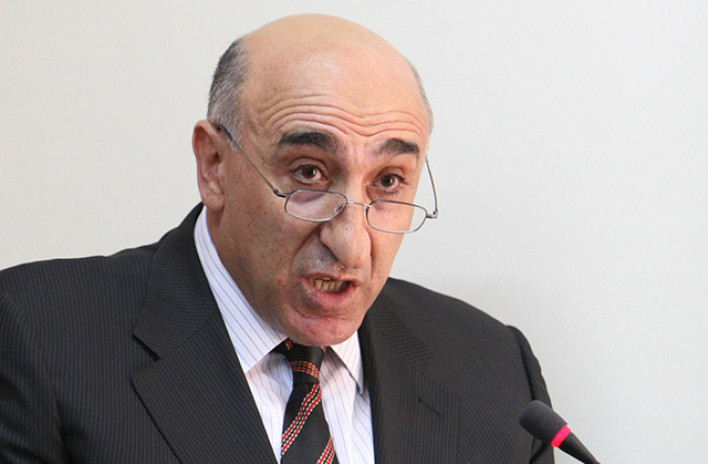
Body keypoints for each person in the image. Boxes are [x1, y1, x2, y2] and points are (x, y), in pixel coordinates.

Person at [0, 14, 553, 464]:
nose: (352, 245)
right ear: (214, 166)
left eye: (388, 182)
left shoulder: (495, 371)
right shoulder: (37, 337)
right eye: (309, 173)